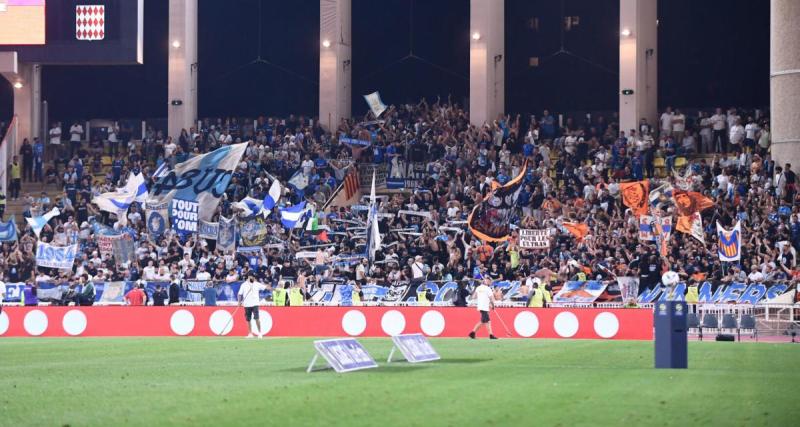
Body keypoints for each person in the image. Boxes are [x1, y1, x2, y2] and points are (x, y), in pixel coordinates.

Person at [238, 273, 268, 338]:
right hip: (247, 304)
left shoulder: (257, 284)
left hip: (255, 304)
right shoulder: (243, 285)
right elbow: (240, 294)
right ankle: (250, 333)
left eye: (254, 277)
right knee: (248, 319)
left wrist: (274, 289)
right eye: (252, 277)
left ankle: (260, 333)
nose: (253, 278)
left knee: (257, 318)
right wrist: (239, 302)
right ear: (249, 277)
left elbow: (265, 287)